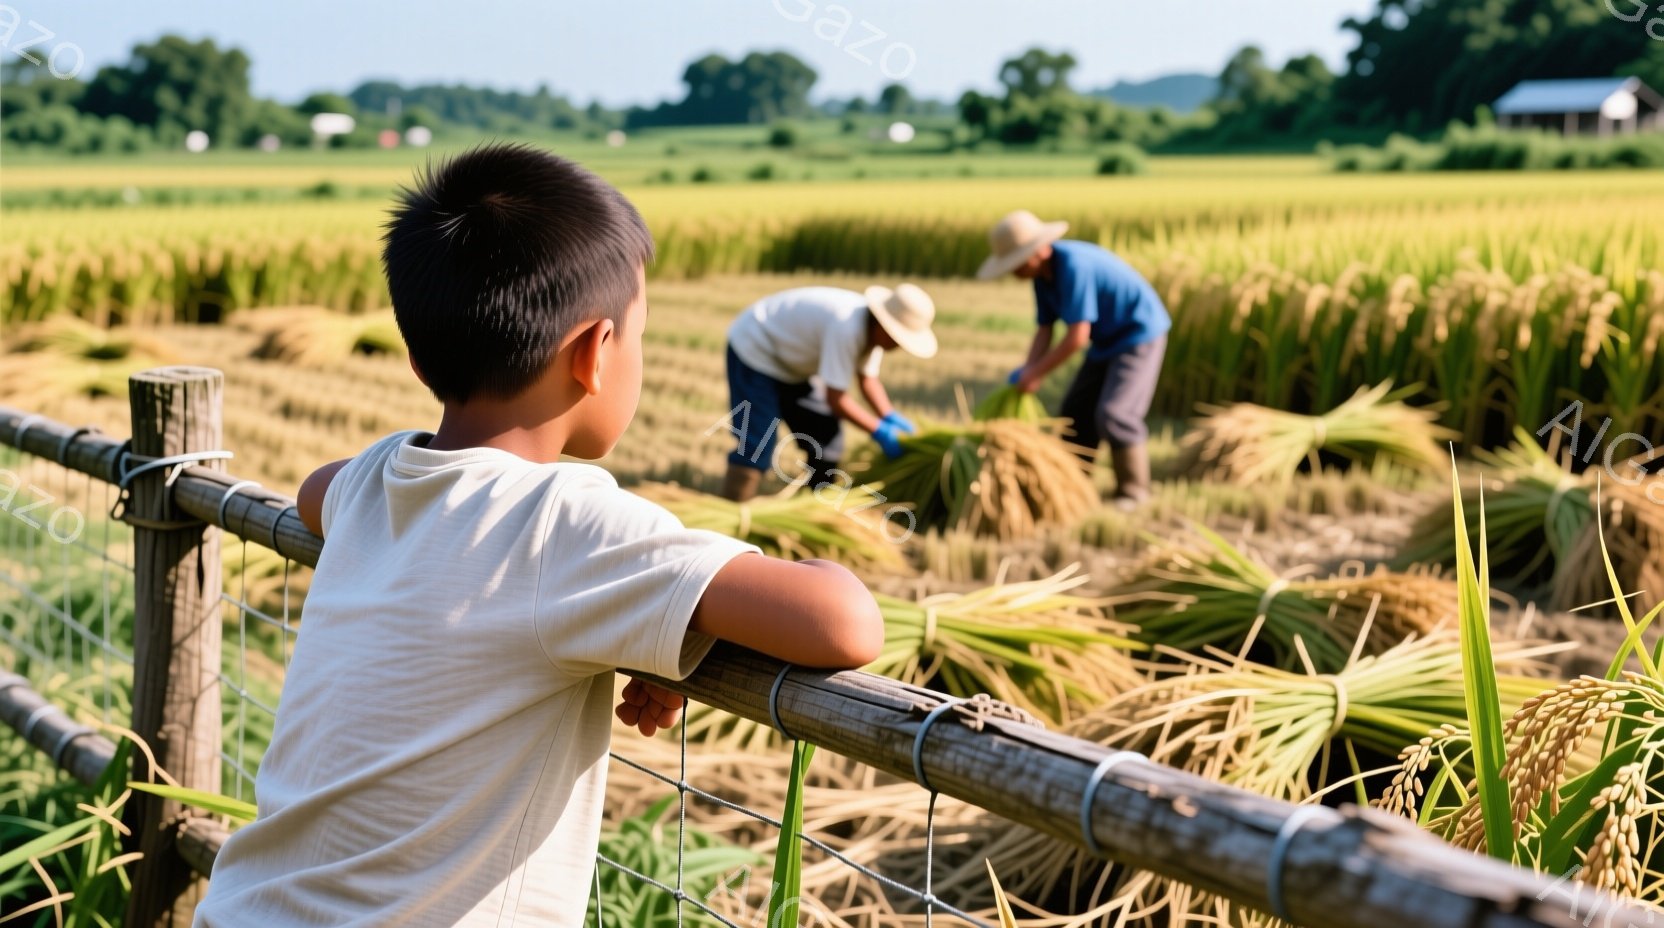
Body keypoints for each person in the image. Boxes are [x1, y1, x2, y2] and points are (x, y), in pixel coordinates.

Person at [193, 144, 884, 927]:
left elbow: (315, 491)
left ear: (419, 361)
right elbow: (843, 622)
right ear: (595, 353)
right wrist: (723, 595)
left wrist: (655, 618)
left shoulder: (376, 475)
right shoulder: (567, 521)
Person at [979, 209, 1170, 509]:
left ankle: (1134, 492)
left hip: (1138, 333)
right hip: (1106, 338)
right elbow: (1045, 329)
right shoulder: (1042, 278)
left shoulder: (1072, 267)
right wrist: (1028, 370)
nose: (1013, 271)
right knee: (1075, 411)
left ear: (1038, 251)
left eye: (1016, 263)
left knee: (1115, 414)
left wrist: (1037, 372)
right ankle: (1074, 485)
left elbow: (1076, 337)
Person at [720, 283, 938, 501]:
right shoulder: (847, 326)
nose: (897, 346)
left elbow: (867, 379)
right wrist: (879, 430)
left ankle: (815, 504)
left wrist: (888, 415)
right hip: (756, 350)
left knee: (827, 440)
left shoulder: (872, 332)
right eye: (896, 338)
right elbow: (836, 399)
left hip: (793, 366)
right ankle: (734, 512)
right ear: (883, 324)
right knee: (756, 444)